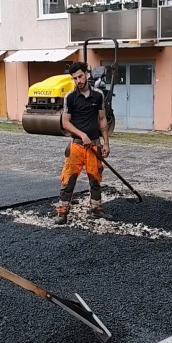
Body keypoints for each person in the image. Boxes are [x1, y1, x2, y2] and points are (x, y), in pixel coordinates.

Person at [55, 62, 112, 225]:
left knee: (95, 178)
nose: (78, 80)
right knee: (68, 179)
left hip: (94, 145)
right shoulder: (70, 98)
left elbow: (102, 120)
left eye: (80, 76)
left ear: (86, 74)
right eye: (74, 78)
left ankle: (96, 209)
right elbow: (66, 123)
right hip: (77, 146)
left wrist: (106, 143)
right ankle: (62, 211)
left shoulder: (98, 95)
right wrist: (82, 135)